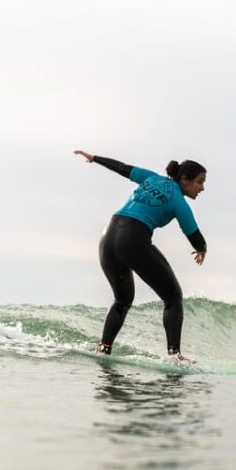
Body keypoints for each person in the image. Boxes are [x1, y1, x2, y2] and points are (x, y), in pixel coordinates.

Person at [74, 150, 207, 363]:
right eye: (199, 182)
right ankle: (175, 355)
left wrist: (95, 158)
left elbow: (123, 168)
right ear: (184, 180)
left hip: (108, 235)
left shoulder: (151, 177)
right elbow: (194, 234)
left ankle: (104, 348)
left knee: (122, 299)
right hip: (132, 238)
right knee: (173, 297)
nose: (202, 188)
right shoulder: (179, 202)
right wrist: (202, 249)